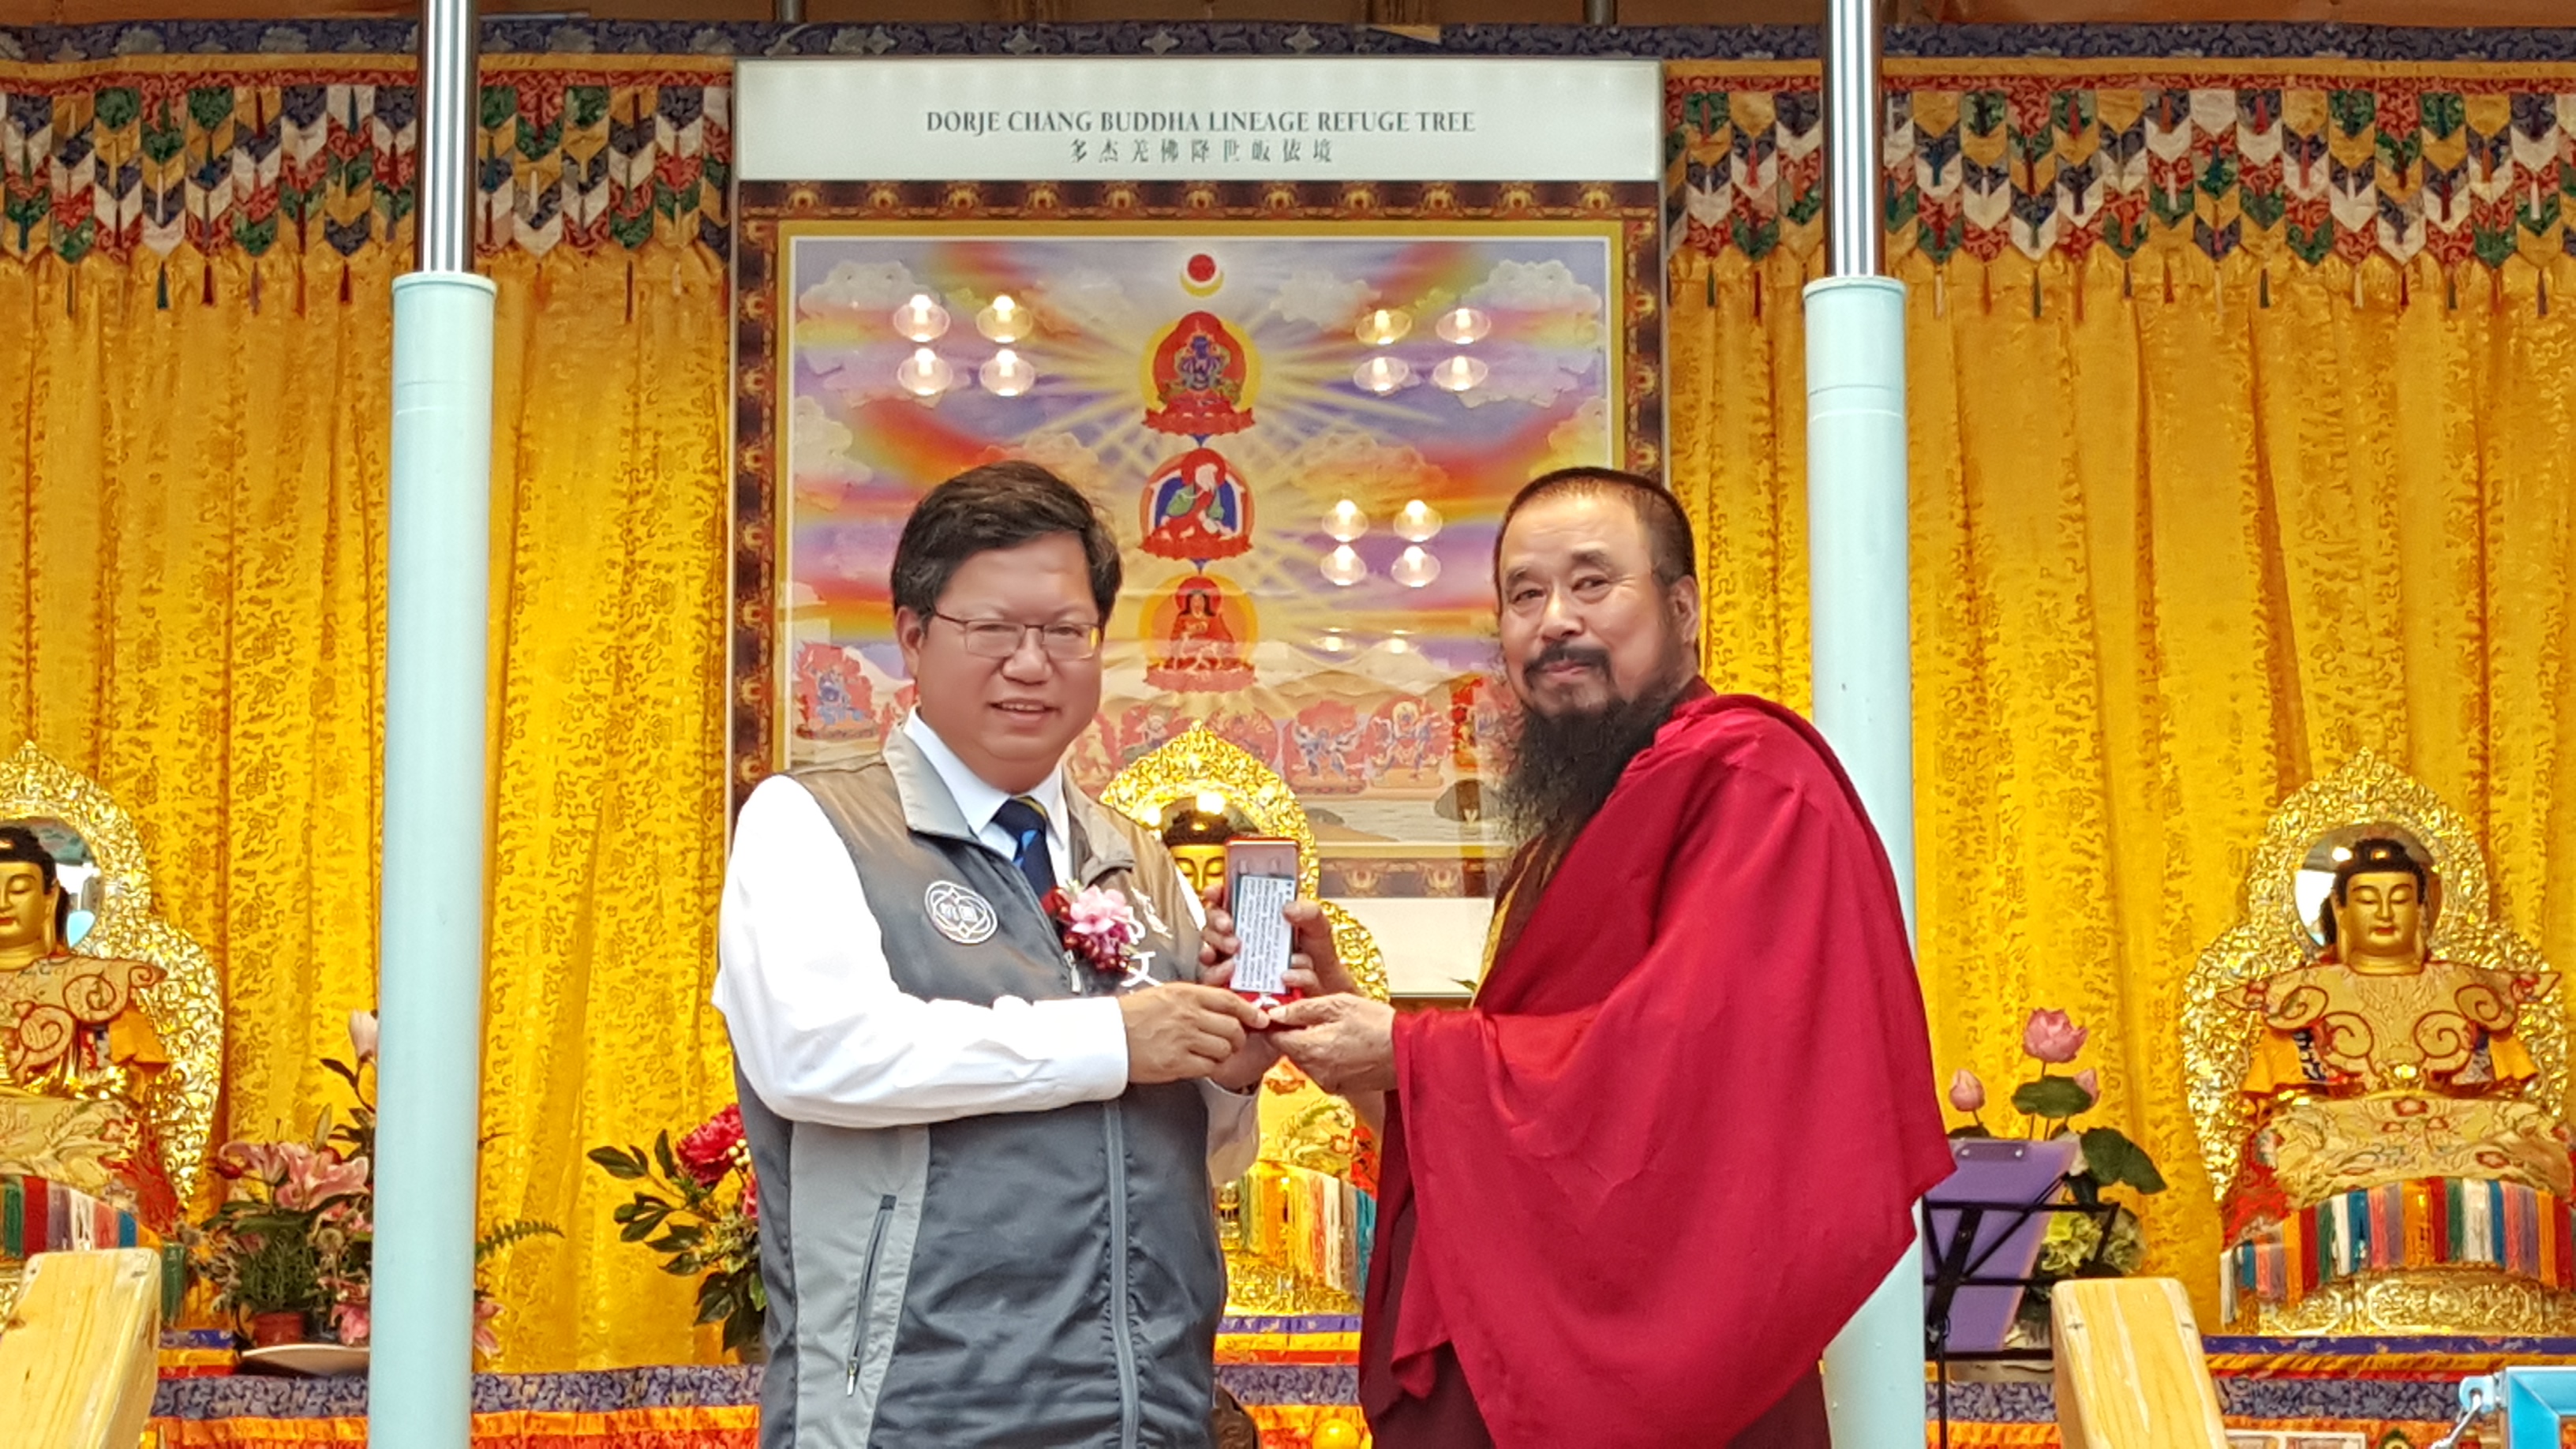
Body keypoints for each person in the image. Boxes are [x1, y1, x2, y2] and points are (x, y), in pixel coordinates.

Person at [1270, 467, 1952, 1447]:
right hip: (1530, 1348)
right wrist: (1362, 1046)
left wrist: (1412, 1050)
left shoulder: (1751, 782)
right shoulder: (1572, 832)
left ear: (1682, 608)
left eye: (1593, 583)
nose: (1554, 621)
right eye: (1524, 595)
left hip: (1676, 1385)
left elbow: (1680, 1075)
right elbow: (1534, 1126)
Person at [716, 461, 1293, 1449]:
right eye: (993, 629)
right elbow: (814, 1056)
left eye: (1067, 632)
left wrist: (1231, 1069)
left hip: (1146, 1412)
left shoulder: (1137, 857)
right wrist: (1113, 1038)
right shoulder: (810, 821)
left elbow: (1202, 1153)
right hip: (918, 1415)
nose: (1032, 664)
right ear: (912, 635)